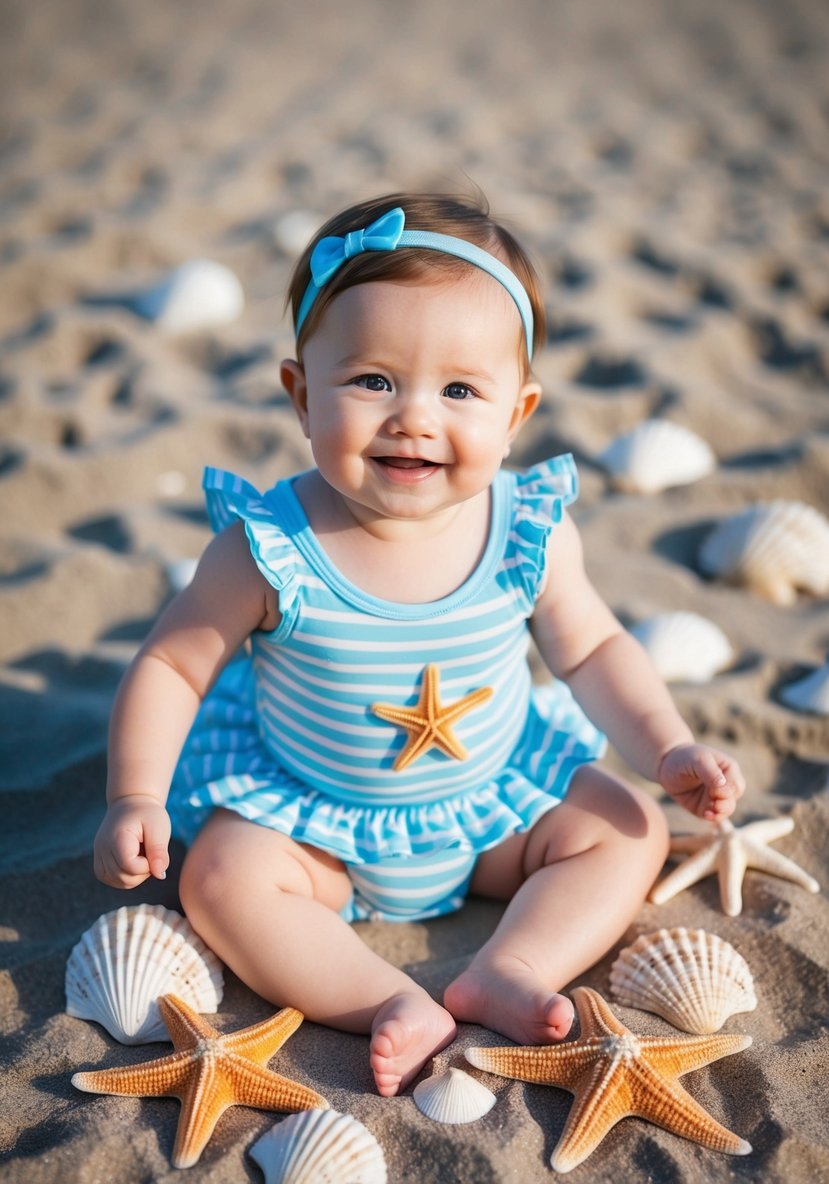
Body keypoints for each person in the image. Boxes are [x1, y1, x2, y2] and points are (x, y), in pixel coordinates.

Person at [93, 191, 745, 1098]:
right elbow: (171, 663)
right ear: (300, 393)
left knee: (627, 827)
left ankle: (511, 968)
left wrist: (665, 745)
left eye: (459, 390)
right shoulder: (268, 546)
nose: (413, 417)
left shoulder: (530, 530)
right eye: (371, 380)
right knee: (220, 878)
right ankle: (380, 996)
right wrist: (136, 793)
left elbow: (592, 651)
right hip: (310, 821)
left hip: (490, 804)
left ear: (516, 414)